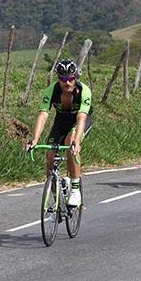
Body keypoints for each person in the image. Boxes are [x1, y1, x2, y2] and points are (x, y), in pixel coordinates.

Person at [26, 58, 92, 206]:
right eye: (63, 79)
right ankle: (56, 200)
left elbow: (81, 117)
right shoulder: (51, 91)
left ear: (75, 77)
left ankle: (75, 189)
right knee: (50, 154)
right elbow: (43, 115)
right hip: (61, 120)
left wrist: (77, 141)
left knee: (70, 144)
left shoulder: (84, 91)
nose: (67, 83)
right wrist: (35, 139)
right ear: (58, 78)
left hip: (79, 120)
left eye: (70, 79)